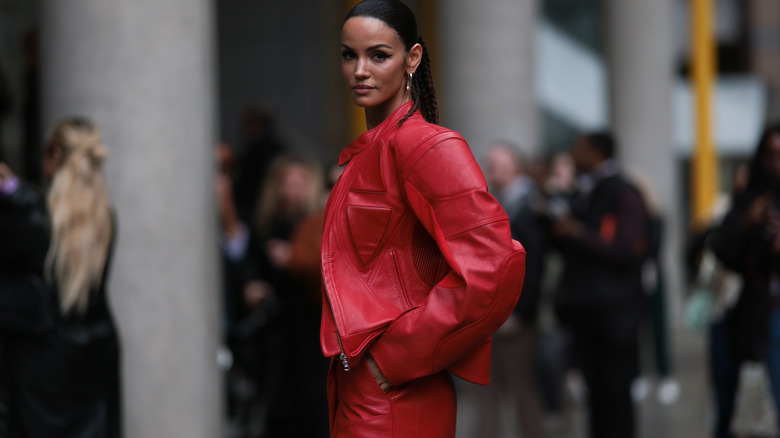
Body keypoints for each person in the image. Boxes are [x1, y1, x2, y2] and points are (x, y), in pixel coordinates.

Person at [321, 1, 527, 436]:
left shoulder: (425, 146)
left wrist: (392, 360)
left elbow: (495, 267)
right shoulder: (370, 152)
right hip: (361, 387)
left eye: (379, 55)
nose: (360, 70)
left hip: (395, 396)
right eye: (349, 55)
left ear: (412, 58)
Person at [0, 117, 120, 437]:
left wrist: (11, 191)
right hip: (95, 356)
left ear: (54, 155)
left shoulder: (33, 222)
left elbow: (32, 226)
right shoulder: (105, 218)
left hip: (42, 365)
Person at [551, 132, 649, 438]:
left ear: (597, 153)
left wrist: (579, 232)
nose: (573, 154)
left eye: (580, 149)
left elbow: (626, 248)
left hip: (616, 315)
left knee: (616, 393)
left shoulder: (623, 192)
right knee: (596, 393)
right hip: (588, 312)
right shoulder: (586, 190)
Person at [708, 123, 780, 438]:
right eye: (772, 155)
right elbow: (719, 247)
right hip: (752, 318)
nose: (777, 163)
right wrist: (748, 223)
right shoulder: (752, 201)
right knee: (736, 412)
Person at [473, 142, 546, 438]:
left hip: (517, 318)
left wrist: (521, 313)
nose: (492, 169)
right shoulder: (497, 201)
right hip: (489, 314)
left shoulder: (530, 206)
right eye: (490, 164)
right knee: (486, 393)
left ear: (515, 166)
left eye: (498, 164)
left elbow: (535, 266)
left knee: (522, 391)